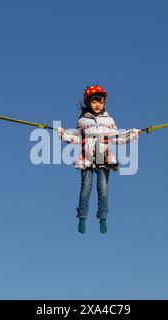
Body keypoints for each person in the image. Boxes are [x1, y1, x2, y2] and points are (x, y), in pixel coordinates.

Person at [57, 84, 142, 234]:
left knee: (102, 189)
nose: (98, 105)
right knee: (86, 189)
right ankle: (82, 217)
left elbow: (117, 137)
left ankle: (103, 218)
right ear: (88, 102)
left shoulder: (109, 120)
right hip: (87, 157)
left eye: (101, 102)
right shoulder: (83, 120)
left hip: (104, 157)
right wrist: (63, 134)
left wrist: (132, 133)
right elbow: (76, 137)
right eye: (95, 101)